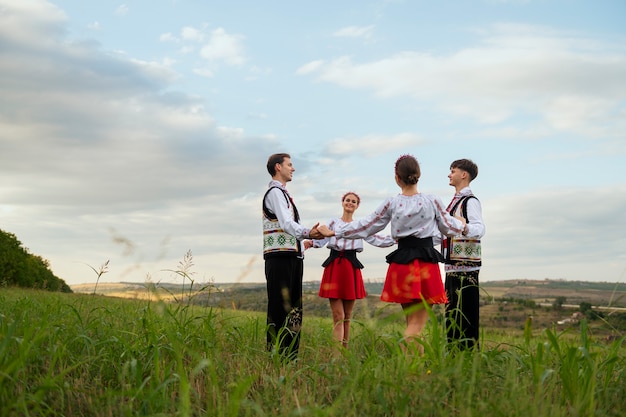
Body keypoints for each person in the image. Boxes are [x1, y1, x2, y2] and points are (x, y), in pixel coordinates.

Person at [318, 155, 466, 354]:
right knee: (416, 325)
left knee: (411, 321)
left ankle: (412, 370)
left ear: (397, 178)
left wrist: (336, 231)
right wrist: (462, 224)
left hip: (402, 262)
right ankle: (408, 365)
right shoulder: (432, 200)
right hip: (424, 262)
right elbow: (449, 228)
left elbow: (367, 225)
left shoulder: (392, 203)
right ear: (418, 176)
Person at [303, 192, 395, 350]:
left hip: (351, 267)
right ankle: (336, 356)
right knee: (338, 316)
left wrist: (398, 238)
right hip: (334, 266)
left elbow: (376, 239)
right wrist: (309, 243)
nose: (350, 203)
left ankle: (344, 354)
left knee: (347, 317)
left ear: (357, 205)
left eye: (354, 201)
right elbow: (322, 237)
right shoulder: (332, 222)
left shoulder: (359, 225)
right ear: (342, 202)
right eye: (348, 200)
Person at [262, 153, 323, 360]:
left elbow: (286, 231)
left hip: (290, 257)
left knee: (294, 309)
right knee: (280, 308)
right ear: (278, 167)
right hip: (279, 260)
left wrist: (303, 245)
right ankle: (277, 356)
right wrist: (309, 232)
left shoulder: (284, 195)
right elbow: (288, 225)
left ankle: (290, 357)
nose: (293, 168)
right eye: (290, 164)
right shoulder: (275, 193)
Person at [442, 159, 486, 350]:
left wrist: (464, 225)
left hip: (466, 267)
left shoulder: (470, 201)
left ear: (464, 175)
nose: (449, 175)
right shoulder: (455, 203)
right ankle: (454, 355)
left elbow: (480, 228)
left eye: (452, 171)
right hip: (452, 264)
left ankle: (467, 357)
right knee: (452, 314)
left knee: (466, 315)